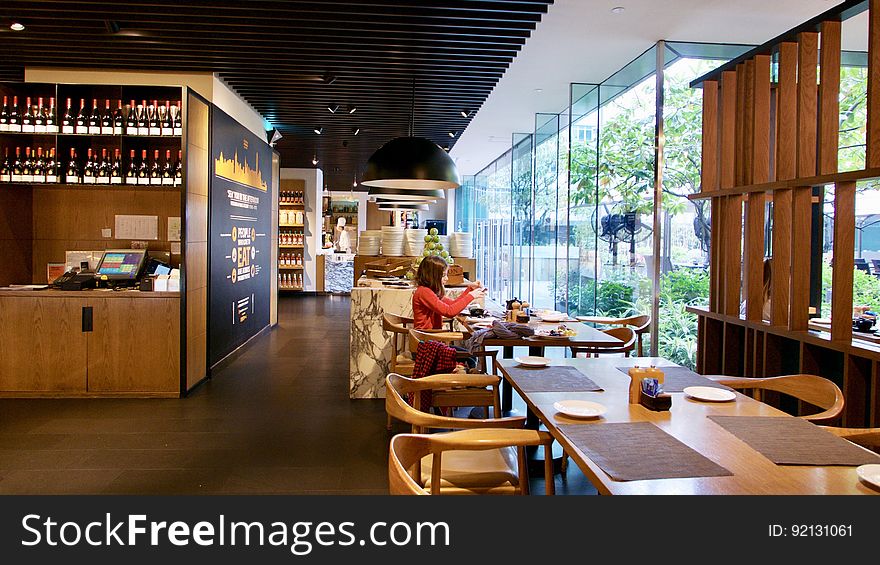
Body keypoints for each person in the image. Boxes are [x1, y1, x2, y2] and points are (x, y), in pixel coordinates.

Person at [412, 255, 485, 330]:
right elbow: (450, 312)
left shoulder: (429, 291)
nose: (446, 279)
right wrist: (471, 296)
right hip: (426, 338)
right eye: (443, 275)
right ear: (432, 277)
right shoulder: (424, 292)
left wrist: (470, 289)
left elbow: (452, 304)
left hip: (431, 336)